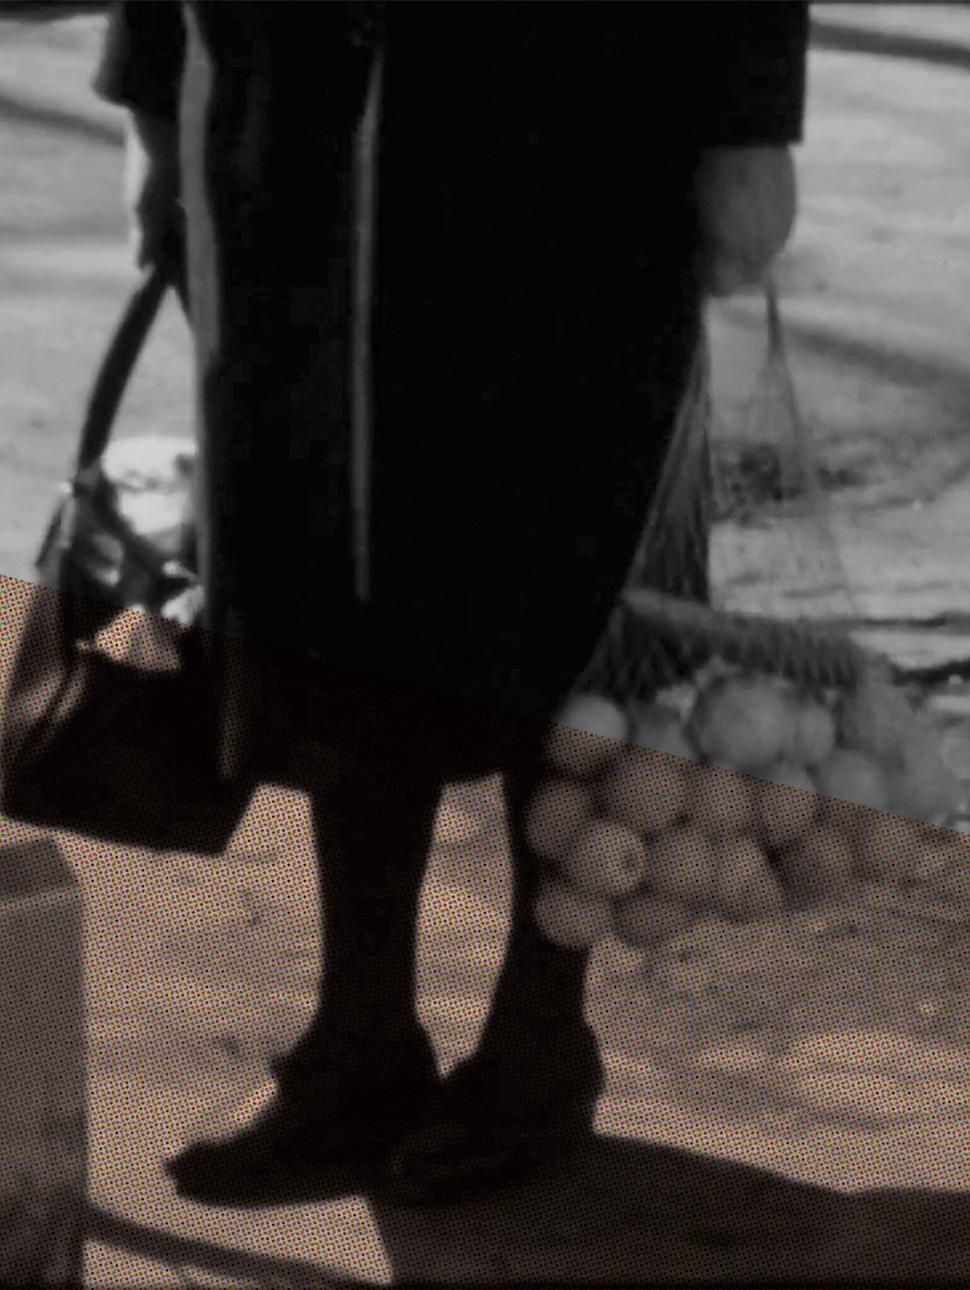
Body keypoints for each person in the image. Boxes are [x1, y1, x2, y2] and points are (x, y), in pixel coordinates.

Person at [94, 1, 809, 1207]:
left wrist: (745, 120)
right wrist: (154, 87)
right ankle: (357, 1039)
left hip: (572, 117)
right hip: (280, 95)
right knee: (324, 574)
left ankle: (540, 1039)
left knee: (562, 576)